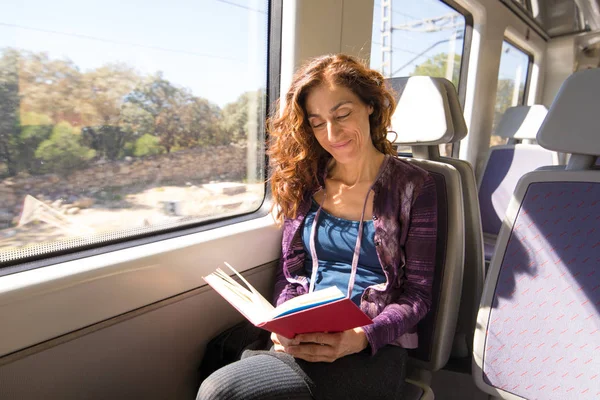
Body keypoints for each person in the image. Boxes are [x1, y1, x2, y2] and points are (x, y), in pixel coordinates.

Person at [197, 54, 438, 400]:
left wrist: (360, 336)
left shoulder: (416, 186)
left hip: (374, 346)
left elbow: (418, 296)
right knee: (218, 366)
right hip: (305, 333)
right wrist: (283, 317)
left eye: (342, 115)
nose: (332, 133)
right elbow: (290, 273)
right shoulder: (307, 182)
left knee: (222, 392)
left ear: (369, 106)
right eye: (317, 122)